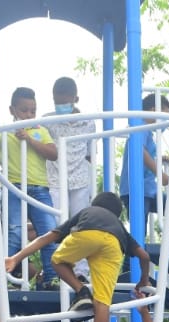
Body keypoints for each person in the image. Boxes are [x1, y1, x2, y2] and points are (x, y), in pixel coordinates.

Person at [3, 192, 153, 322]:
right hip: (114, 246)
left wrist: (15, 258)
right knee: (102, 303)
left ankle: (81, 291)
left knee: (57, 260)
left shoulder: (89, 212)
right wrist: (144, 279)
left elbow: (47, 238)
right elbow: (144, 256)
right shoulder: (119, 226)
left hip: (87, 234)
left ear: (95, 204)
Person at [0, 87, 60, 283]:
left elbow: (53, 153)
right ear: (12, 110)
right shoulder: (3, 131)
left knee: (49, 233)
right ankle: (6, 279)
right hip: (13, 187)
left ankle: (51, 278)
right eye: (24, 110)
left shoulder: (39, 130)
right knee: (14, 231)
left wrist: (29, 139)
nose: (29, 114)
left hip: (39, 188)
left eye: (33, 111)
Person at [45, 77, 96, 222]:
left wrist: (91, 184)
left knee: (79, 222)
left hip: (80, 179)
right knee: (54, 223)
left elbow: (90, 154)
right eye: (57, 103)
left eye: (65, 103)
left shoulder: (88, 122)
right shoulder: (46, 122)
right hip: (54, 179)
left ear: (76, 98)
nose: (60, 106)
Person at [118, 93, 169, 216]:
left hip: (147, 188)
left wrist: (159, 159)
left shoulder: (147, 131)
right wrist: (160, 173)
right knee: (140, 229)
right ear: (153, 110)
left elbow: (146, 152)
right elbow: (140, 151)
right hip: (137, 188)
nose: (166, 121)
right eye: (164, 115)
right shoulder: (141, 127)